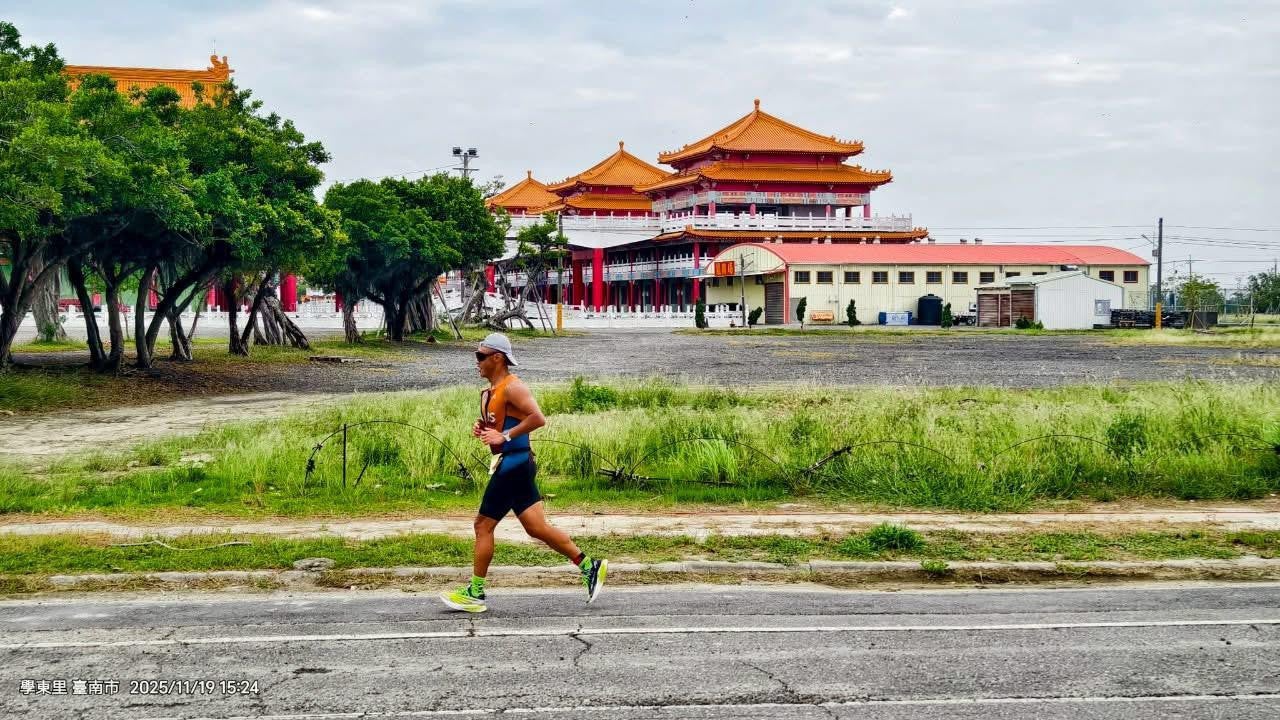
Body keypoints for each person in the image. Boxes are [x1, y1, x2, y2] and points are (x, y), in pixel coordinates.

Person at [441, 332, 607, 613]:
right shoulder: (491, 391)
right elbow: (499, 425)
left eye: (481, 356)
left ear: (498, 358)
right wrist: (485, 431)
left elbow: (538, 418)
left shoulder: (513, 386)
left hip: (514, 464)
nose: (476, 361)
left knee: (483, 526)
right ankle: (590, 566)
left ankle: (475, 593)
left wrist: (503, 437)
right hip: (516, 463)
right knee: (536, 527)